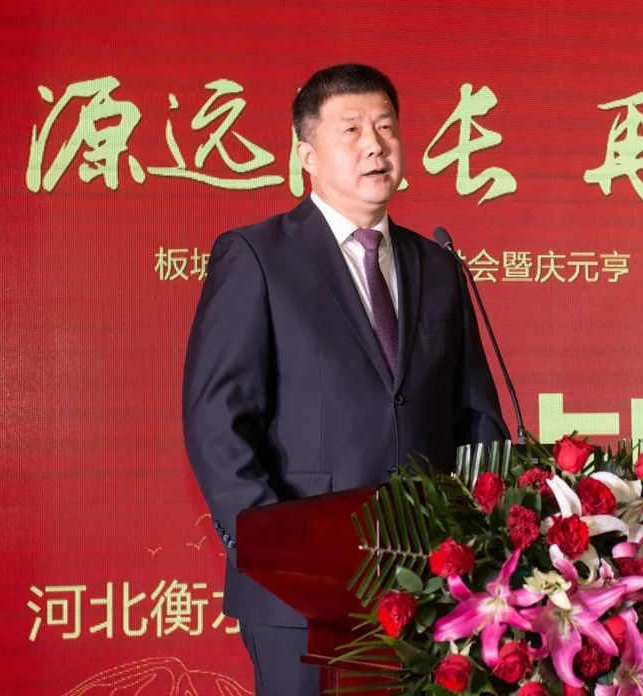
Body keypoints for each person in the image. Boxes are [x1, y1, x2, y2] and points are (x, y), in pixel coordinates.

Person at [181, 64, 509, 695]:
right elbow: (217, 421)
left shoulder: (438, 265)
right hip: (300, 586)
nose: (375, 145)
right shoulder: (257, 256)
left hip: (432, 584)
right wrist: (273, 547)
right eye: (352, 130)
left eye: (386, 127)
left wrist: (482, 544)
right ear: (306, 155)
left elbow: (476, 417)